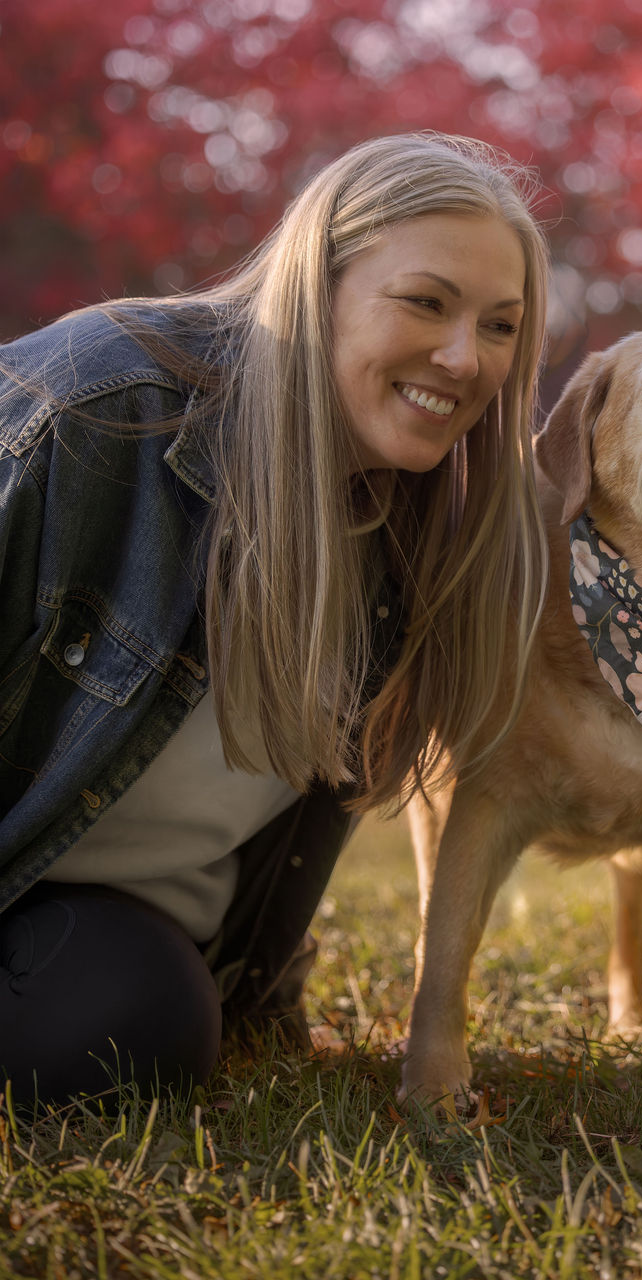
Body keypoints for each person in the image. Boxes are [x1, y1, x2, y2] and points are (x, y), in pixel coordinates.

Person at [0, 131, 551, 1109]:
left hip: (107, 934)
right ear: (317, 289)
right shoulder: (93, 410)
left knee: (136, 1015)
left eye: (500, 326)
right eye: (425, 302)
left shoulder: (411, 525)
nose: (466, 359)